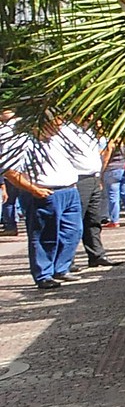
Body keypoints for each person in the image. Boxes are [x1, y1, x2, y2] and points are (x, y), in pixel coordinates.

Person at [1, 116, 84, 288]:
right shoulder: (22, 142)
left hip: (69, 190)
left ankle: (61, 267)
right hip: (45, 192)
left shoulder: (58, 140)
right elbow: (9, 171)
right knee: (45, 235)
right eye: (54, 126)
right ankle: (43, 274)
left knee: (73, 231)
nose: (58, 129)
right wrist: (34, 189)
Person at [58, 120, 112, 268]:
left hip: (93, 177)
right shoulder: (67, 131)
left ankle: (96, 254)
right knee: (75, 222)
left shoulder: (89, 131)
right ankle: (67, 260)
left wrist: (99, 177)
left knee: (93, 219)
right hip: (79, 178)